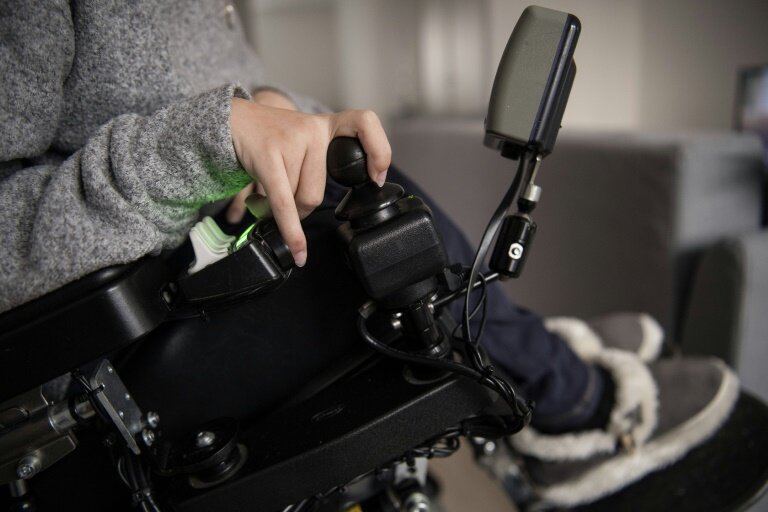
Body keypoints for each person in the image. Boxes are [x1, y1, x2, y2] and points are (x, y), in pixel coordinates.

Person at [0, 2, 748, 510]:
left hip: (218, 246)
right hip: (111, 354)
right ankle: (572, 409)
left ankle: (539, 355)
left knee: (380, 200)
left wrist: (271, 104)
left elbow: (217, 91)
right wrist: (209, 142)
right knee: (383, 245)